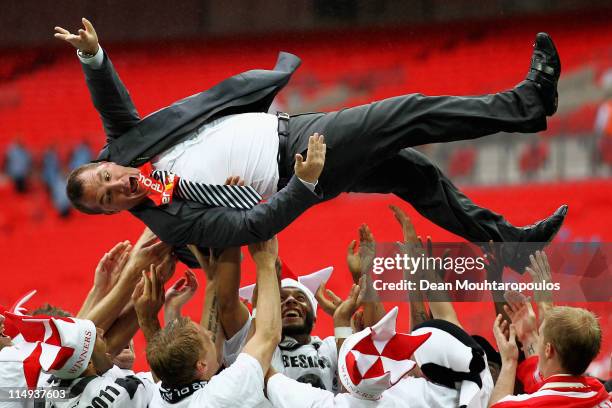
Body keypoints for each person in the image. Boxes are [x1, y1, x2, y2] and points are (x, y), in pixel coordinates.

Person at [56, 18, 566, 270]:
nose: (114, 186)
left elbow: (112, 104)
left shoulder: (128, 148)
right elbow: (251, 225)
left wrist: (93, 56)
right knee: (408, 114)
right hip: (300, 161)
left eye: (104, 177)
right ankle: (527, 103)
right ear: (108, 214)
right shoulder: (170, 220)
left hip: (290, 128)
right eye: (106, 199)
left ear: (105, 162)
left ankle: (509, 246)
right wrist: (302, 182)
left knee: (415, 176)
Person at [134, 237, 281, 407]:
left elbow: (168, 363)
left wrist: (212, 279)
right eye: (206, 336)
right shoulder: (225, 393)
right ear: (201, 365)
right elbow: (268, 335)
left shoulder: (164, 394)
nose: (210, 332)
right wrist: (266, 262)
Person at [488, 306, 611, 407]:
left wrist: (509, 361)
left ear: (548, 349)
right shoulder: (602, 396)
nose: (538, 338)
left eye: (539, 335)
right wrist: (528, 336)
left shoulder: (528, 405)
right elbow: (545, 381)